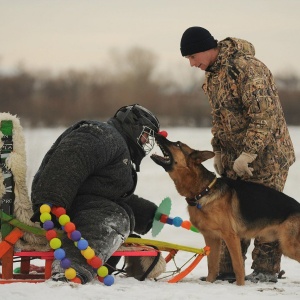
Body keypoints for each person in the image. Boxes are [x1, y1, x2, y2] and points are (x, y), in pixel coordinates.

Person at [180, 26, 296, 283]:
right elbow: (220, 119)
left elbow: (263, 116)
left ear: (205, 49)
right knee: (230, 216)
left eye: (191, 57)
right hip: (236, 157)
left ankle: (265, 272)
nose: (191, 64)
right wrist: (219, 150)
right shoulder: (213, 77)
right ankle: (228, 271)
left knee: (264, 214)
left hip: (268, 156)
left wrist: (249, 154)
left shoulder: (247, 69)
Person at [30, 104, 165, 284]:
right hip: (60, 206)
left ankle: (94, 267)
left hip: (84, 207)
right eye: (146, 135)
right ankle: (70, 270)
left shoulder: (119, 148)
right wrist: (52, 197)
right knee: (114, 218)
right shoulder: (102, 134)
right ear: (133, 126)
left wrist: (145, 214)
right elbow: (73, 156)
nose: (146, 142)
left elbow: (107, 194)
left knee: (118, 217)